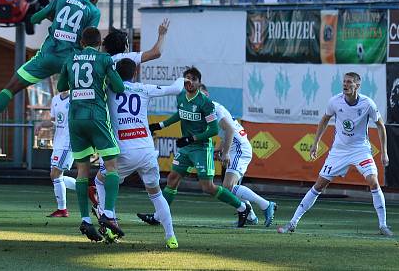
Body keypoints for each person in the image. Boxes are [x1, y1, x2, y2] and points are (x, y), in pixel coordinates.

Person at [0, 0, 102, 137]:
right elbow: (88, 39)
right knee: (88, 94)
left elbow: (33, 19)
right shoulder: (93, 11)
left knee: (11, 88)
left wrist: (52, 17)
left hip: (46, 57)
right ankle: (92, 135)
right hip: (68, 62)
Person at [278, 72, 392, 236]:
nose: (345, 84)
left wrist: (384, 152)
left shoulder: (368, 104)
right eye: (344, 81)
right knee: (319, 185)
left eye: (349, 82)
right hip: (339, 151)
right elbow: (324, 120)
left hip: (360, 149)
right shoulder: (334, 101)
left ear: (357, 86)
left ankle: (383, 225)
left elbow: (381, 126)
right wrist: (316, 143)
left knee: (373, 182)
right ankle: (293, 222)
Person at [93, 58, 183, 249]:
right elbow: (175, 89)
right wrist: (185, 78)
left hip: (123, 151)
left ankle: (109, 221)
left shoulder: (108, 89)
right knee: (156, 194)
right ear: (135, 74)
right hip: (146, 150)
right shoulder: (143, 88)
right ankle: (171, 237)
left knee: (101, 181)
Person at [144, 67, 251, 227]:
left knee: (208, 187)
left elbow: (214, 129)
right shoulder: (181, 97)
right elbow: (180, 114)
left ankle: (242, 208)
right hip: (187, 148)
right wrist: (159, 125)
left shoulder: (205, 102)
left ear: (199, 82)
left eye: (194, 79)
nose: (190, 82)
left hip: (201, 148)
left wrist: (191, 138)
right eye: (187, 78)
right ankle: (158, 216)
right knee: (172, 179)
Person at [56, 27, 125, 242]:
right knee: (112, 166)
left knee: (82, 172)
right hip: (96, 115)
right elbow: (120, 87)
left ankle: (86, 219)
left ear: (81, 41)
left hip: (75, 119)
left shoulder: (70, 58)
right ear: (99, 42)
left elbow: (60, 86)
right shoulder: (104, 59)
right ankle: (109, 215)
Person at [211, 92, 276, 227]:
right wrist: (219, 150)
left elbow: (229, 131)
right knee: (232, 188)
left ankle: (266, 204)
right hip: (238, 147)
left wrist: (226, 153)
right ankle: (251, 217)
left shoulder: (213, 109)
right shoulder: (215, 109)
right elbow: (225, 134)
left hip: (239, 149)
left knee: (228, 188)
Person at [42, 89, 77, 217]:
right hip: (57, 142)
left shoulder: (75, 98)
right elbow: (54, 121)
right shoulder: (55, 99)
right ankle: (85, 188)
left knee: (56, 174)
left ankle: (62, 209)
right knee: (55, 176)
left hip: (68, 142)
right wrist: (41, 124)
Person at [102, 18, 170, 70]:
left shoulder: (102, 60)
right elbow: (156, 53)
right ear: (126, 47)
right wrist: (162, 34)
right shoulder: (126, 57)